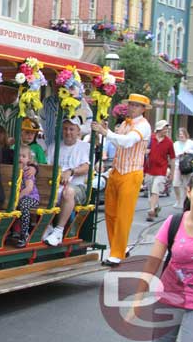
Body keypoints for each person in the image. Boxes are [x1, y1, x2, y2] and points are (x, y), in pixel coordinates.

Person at [127, 176, 193, 342]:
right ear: (189, 191)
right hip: (169, 297)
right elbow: (152, 264)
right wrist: (137, 300)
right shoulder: (174, 223)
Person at [91, 93, 152, 267]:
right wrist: (106, 133)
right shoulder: (126, 123)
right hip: (117, 171)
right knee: (110, 213)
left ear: (143, 109)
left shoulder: (144, 125)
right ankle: (119, 248)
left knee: (123, 215)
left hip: (131, 174)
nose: (132, 107)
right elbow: (119, 144)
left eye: (136, 105)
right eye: (131, 104)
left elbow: (127, 142)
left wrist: (106, 132)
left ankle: (117, 253)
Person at [45, 116, 91, 247]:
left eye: (71, 129)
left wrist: (71, 171)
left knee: (68, 192)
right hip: (55, 184)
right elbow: (48, 166)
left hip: (77, 186)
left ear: (78, 131)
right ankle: (46, 226)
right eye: (65, 129)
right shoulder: (54, 146)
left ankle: (59, 230)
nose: (68, 132)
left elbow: (86, 167)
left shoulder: (84, 146)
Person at [144, 120, 175, 222]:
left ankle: (151, 210)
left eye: (166, 128)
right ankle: (155, 206)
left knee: (155, 189)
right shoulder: (150, 139)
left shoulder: (169, 142)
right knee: (150, 190)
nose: (166, 130)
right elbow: (143, 151)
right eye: (164, 128)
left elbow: (172, 158)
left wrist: (172, 173)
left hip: (161, 170)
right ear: (158, 129)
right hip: (149, 169)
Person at [13, 145, 39, 248]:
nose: (20, 158)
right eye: (18, 156)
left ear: (28, 159)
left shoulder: (27, 171)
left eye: (23, 156)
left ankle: (24, 234)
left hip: (31, 197)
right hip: (19, 197)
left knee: (23, 205)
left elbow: (28, 188)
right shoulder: (14, 170)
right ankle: (12, 231)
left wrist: (16, 198)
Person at [173, 127, 193, 210]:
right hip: (178, 165)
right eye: (180, 134)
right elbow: (175, 154)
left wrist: (188, 152)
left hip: (187, 166)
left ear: (185, 134)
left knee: (186, 185)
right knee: (175, 184)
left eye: (182, 134)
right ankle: (178, 200)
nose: (181, 136)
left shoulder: (190, 142)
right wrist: (182, 153)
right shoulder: (176, 144)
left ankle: (185, 202)